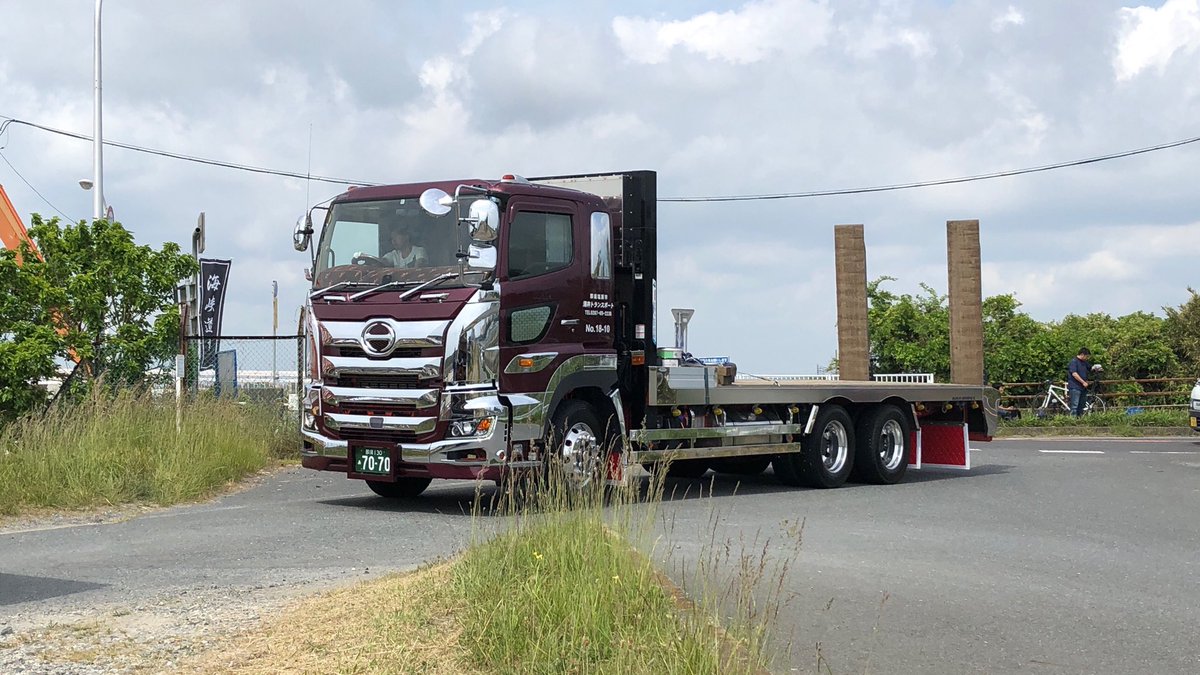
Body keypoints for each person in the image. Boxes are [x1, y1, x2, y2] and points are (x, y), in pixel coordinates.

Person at [1066, 347, 1092, 417]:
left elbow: (1090, 368)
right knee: (1075, 405)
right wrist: (1083, 382)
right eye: (1087, 356)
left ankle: (1080, 419)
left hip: (1083, 387)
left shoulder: (1084, 363)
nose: (1087, 358)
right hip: (1075, 386)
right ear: (1082, 354)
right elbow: (1074, 374)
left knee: (1081, 405)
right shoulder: (1074, 362)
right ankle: (1073, 420)